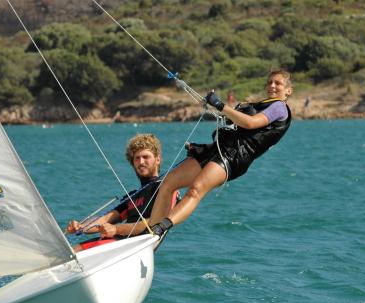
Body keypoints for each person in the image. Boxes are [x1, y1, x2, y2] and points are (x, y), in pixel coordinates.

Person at [108, 69, 293, 236]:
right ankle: (151, 231)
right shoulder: (262, 104)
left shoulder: (279, 107)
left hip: (233, 158)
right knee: (168, 183)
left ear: (288, 91)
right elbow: (234, 127)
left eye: (278, 83)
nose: (272, 86)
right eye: (270, 82)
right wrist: (204, 146)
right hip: (217, 149)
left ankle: (161, 226)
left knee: (196, 189)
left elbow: (250, 124)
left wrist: (220, 105)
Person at [65, 133, 179, 252]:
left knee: (75, 251)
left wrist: (116, 229)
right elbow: (105, 220)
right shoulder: (133, 196)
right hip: (119, 243)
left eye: (146, 157)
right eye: (137, 158)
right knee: (71, 252)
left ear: (157, 159)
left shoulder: (166, 187)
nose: (141, 162)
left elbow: (155, 224)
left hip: (135, 246)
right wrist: (81, 227)